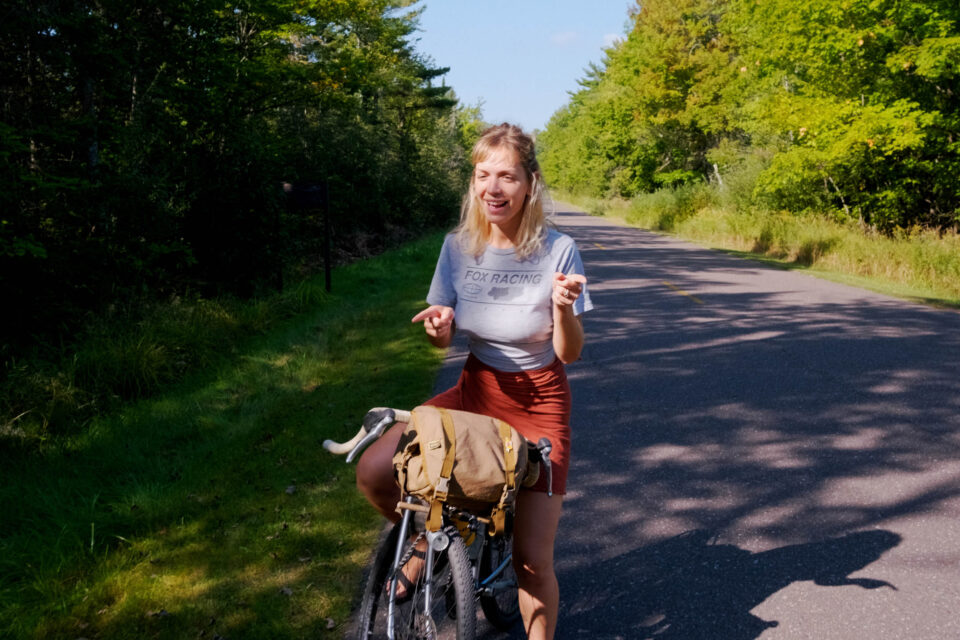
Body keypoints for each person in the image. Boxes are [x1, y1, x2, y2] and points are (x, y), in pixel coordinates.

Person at [355, 122, 592, 640]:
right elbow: (441, 339)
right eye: (483, 175)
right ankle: (423, 544)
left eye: (507, 176)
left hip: (538, 404)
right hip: (473, 391)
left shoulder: (559, 250)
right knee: (376, 469)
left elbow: (569, 354)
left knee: (531, 561)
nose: (493, 187)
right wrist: (440, 331)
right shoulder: (458, 247)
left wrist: (563, 309)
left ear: (529, 183)